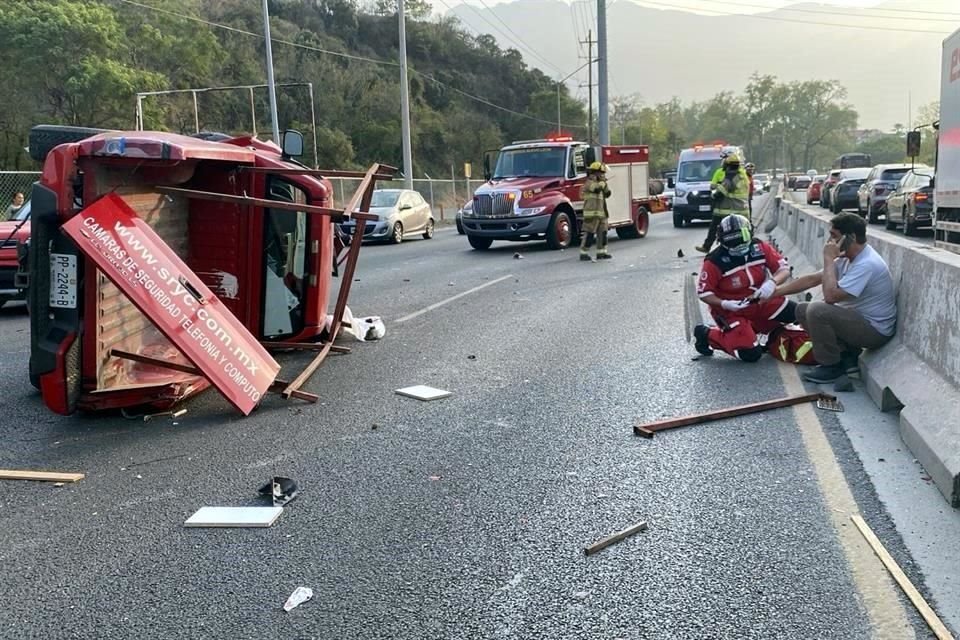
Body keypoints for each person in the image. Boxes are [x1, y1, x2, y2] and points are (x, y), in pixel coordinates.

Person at [772, 212, 896, 383]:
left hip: (875, 331)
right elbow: (812, 279)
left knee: (817, 310)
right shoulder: (848, 258)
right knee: (802, 310)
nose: (829, 243)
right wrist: (774, 292)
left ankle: (831, 366)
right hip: (856, 321)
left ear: (850, 237)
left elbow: (830, 297)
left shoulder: (866, 263)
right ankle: (846, 356)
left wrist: (828, 258)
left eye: (834, 237)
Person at [693, 214, 796, 362]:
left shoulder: (759, 247)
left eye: (742, 240)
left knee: (798, 314)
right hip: (732, 311)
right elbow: (704, 292)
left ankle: (753, 330)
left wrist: (772, 283)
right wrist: (724, 303)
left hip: (761, 300)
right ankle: (707, 334)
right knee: (749, 354)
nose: (738, 247)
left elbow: (783, 269)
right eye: (732, 243)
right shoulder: (714, 261)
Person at [696, 154, 751, 253]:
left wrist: (713, 196)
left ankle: (707, 246)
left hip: (728, 208)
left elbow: (721, 192)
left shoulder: (731, 177)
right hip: (743, 209)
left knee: (714, 226)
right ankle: (749, 245)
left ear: (728, 165)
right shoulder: (743, 175)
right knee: (745, 229)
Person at [579, 161, 612, 261]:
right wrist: (602, 183)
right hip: (591, 215)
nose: (603, 175)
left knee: (603, 234)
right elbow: (596, 189)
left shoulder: (601, 183)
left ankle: (601, 253)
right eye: (601, 173)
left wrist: (605, 185)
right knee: (589, 234)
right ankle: (584, 253)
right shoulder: (589, 183)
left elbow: (608, 194)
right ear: (595, 172)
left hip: (601, 214)